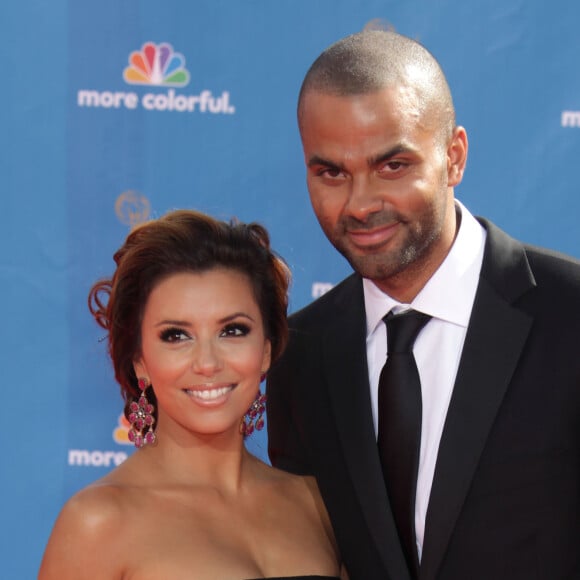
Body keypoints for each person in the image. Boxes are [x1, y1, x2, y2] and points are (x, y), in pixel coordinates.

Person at [266, 29, 580, 580]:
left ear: (454, 157)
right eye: (331, 173)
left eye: (393, 166)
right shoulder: (302, 354)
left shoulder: (570, 314)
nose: (360, 204)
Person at [39, 209, 342, 579]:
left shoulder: (316, 505)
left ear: (265, 349)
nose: (207, 362)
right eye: (176, 336)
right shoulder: (98, 521)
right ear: (140, 361)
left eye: (232, 330)